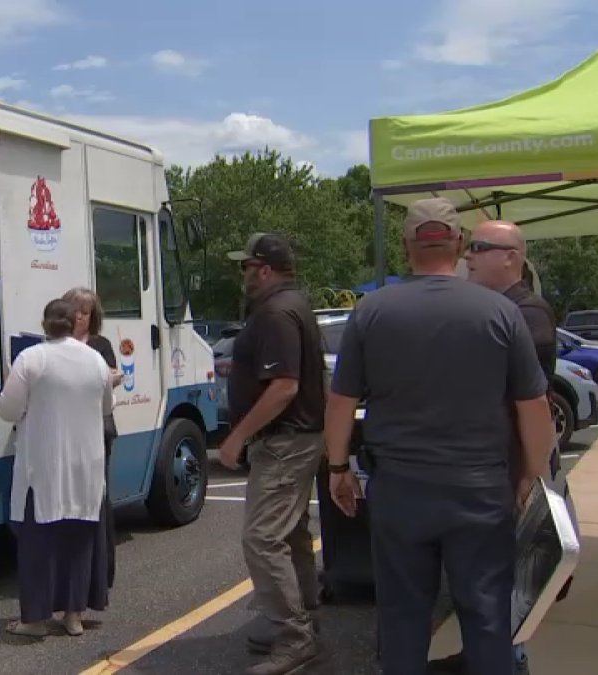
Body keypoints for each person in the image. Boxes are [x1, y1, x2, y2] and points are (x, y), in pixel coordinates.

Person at [323, 198, 555, 675]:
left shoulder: (371, 312)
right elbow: (533, 408)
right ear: (458, 244)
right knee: (488, 616)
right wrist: (532, 477)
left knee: (403, 616)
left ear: (408, 246)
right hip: (480, 491)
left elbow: (340, 402)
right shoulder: (500, 313)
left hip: (401, 491)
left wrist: (337, 467)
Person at [428, 219, 565, 675]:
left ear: (511, 256)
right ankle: (480, 657)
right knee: (481, 580)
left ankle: (509, 661)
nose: (467, 255)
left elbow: (530, 403)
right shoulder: (496, 308)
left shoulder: (527, 314)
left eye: (479, 247)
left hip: (513, 469)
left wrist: (529, 475)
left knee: (505, 583)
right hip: (490, 466)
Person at [217, 233, 328, 675]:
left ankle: (294, 638)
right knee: (291, 534)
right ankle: (303, 622)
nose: (242, 274)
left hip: (285, 440)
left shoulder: (277, 312)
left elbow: (285, 387)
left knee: (262, 538)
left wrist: (236, 437)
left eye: (246, 267)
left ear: (263, 269)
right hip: (296, 438)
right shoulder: (290, 306)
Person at [0, 298, 113, 638]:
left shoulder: (32, 358)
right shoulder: (95, 360)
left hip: (43, 467)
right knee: (78, 541)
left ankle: (34, 619)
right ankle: (73, 616)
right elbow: (107, 405)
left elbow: (7, 409)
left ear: (46, 324)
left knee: (38, 543)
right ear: (75, 321)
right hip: (86, 466)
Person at [63, 287, 125, 592]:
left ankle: (100, 572)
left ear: (92, 317)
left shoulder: (100, 345)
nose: (78, 317)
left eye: (84, 312)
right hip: (62, 434)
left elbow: (115, 376)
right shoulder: (53, 344)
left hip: (97, 430)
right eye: (74, 310)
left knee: (98, 499)